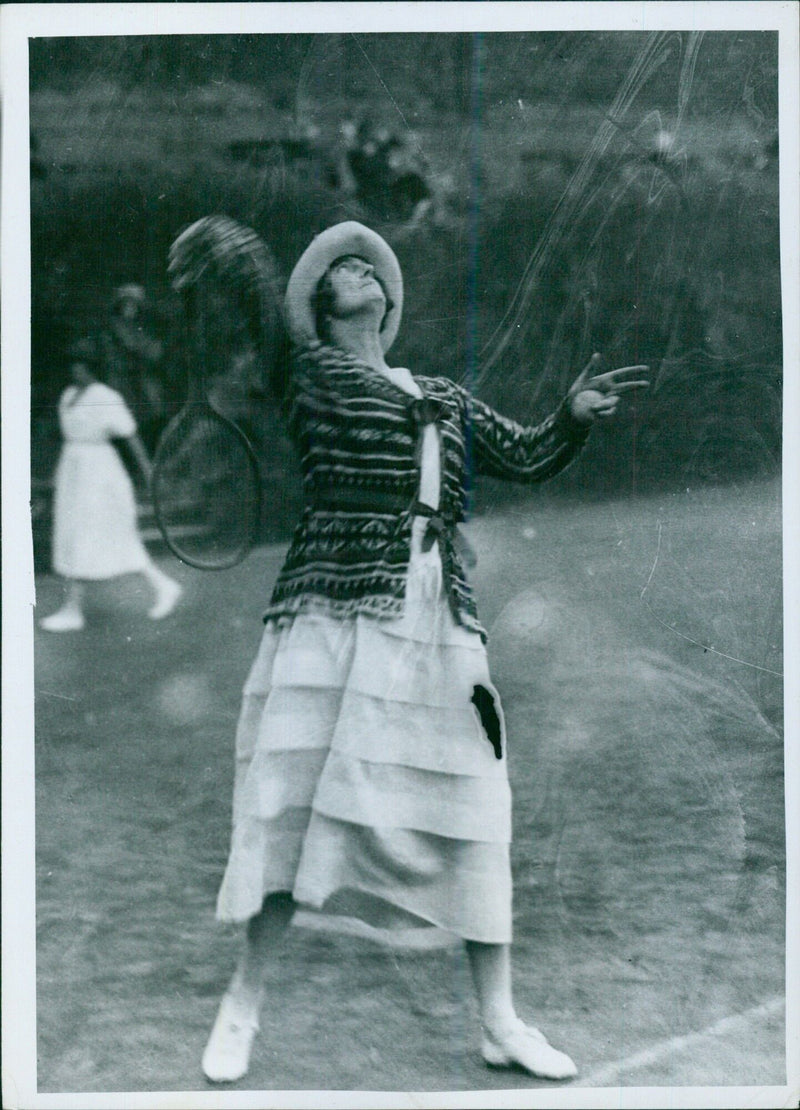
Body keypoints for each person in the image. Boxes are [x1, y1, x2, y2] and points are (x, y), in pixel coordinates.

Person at [201, 222, 648, 1084]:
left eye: (368, 261)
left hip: (438, 614)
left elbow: (523, 452)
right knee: (294, 803)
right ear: (319, 307)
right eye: (337, 267)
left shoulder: (439, 392)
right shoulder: (309, 376)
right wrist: (240, 258)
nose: (357, 265)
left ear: (389, 300)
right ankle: (242, 1004)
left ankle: (500, 1022)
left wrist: (573, 416)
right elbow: (265, 333)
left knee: (477, 806)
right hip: (330, 608)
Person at [38, 337, 182, 632]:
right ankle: (74, 609)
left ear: (93, 367)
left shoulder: (105, 395)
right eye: (73, 365)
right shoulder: (67, 395)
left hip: (100, 475)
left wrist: (148, 471)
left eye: (83, 365)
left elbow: (130, 436)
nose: (76, 371)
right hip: (73, 471)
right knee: (72, 535)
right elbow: (71, 438)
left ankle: (76, 609)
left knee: (102, 536)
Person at [100, 283, 167, 452]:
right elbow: (132, 345)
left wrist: (148, 348)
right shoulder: (116, 325)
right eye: (126, 303)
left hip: (141, 375)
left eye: (134, 304)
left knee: (154, 409)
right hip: (121, 377)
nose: (130, 308)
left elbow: (156, 352)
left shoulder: (143, 326)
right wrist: (145, 348)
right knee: (121, 415)